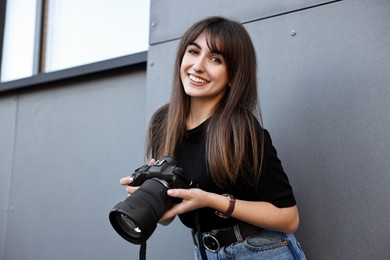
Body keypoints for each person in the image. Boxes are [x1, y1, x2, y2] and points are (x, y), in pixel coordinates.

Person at [120, 16, 306, 260]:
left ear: (232, 75)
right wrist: (150, 197)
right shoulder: (163, 123)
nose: (198, 66)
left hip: (261, 250)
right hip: (205, 252)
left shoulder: (242, 129)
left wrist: (212, 200)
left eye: (215, 59)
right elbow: (170, 217)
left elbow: (289, 218)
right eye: (193, 52)